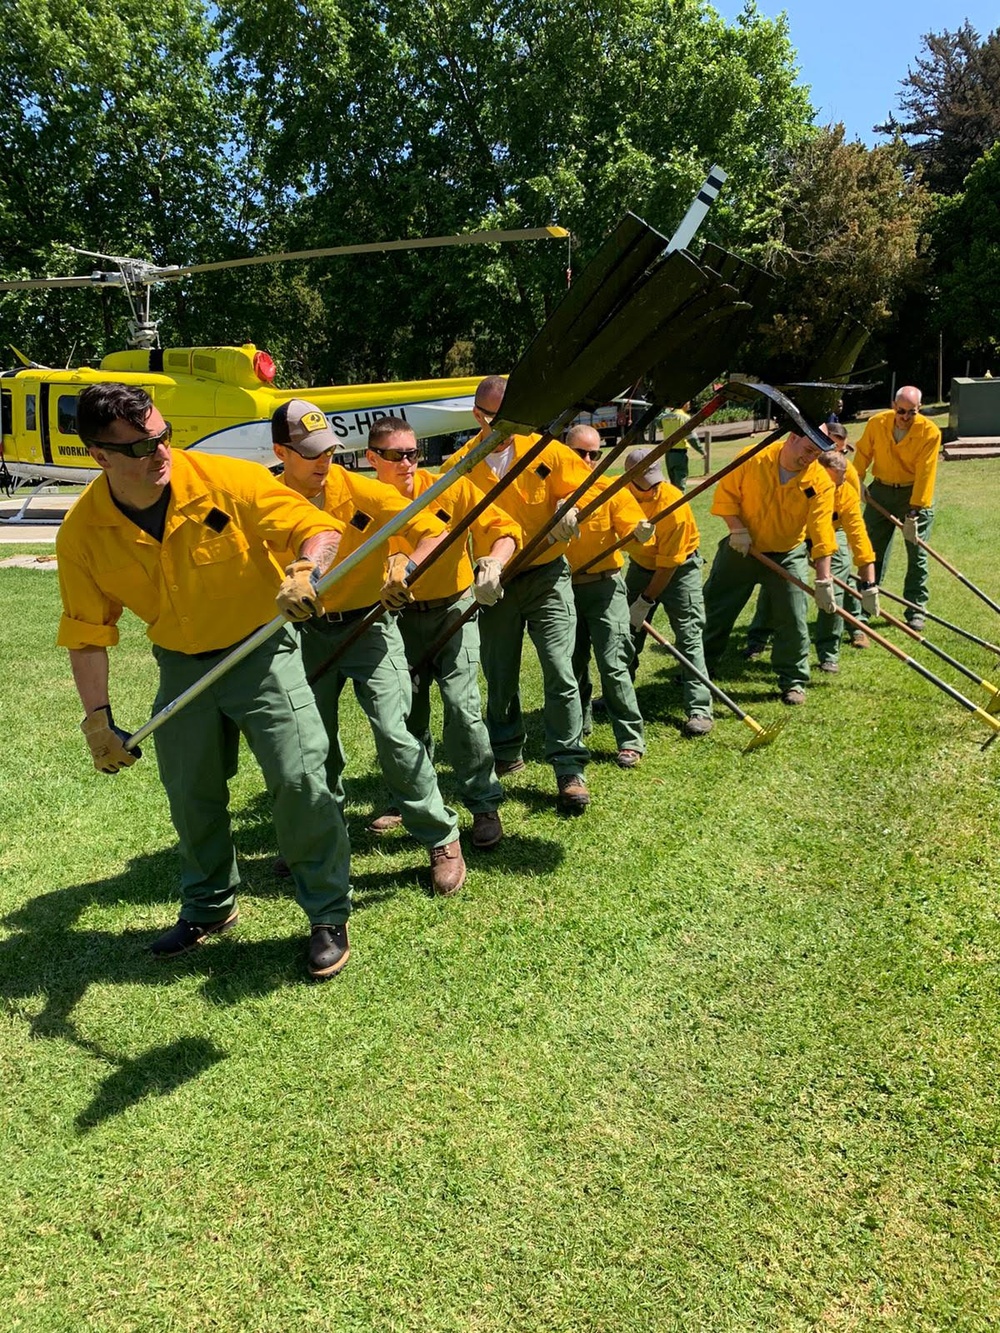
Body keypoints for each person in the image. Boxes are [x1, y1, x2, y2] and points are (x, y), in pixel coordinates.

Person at [57, 384, 354, 980]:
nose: (160, 452)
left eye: (163, 436)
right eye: (139, 447)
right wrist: (97, 720)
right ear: (100, 456)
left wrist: (306, 569)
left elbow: (316, 529)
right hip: (181, 664)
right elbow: (88, 633)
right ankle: (209, 906)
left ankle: (326, 913)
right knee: (191, 793)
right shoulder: (83, 532)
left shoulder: (228, 481)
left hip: (262, 651)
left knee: (299, 778)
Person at [269, 399, 466, 896]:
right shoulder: (265, 498)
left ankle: (441, 835)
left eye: (330, 452)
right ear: (280, 451)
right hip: (306, 634)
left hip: (370, 628)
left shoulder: (363, 490)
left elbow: (432, 529)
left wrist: (406, 567)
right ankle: (318, 837)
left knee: (396, 733)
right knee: (312, 745)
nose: (323, 463)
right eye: (310, 453)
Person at [364, 416, 520, 849]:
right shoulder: (366, 499)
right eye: (396, 456)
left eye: (413, 452)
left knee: (462, 707)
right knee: (405, 716)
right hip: (396, 618)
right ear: (372, 458)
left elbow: (505, 529)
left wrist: (493, 563)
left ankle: (484, 803)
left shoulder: (452, 485)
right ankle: (412, 798)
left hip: (454, 611)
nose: (408, 462)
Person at [444, 376, 594, 813]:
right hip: (494, 583)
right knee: (499, 671)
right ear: (478, 416)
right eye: (499, 419)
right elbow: (443, 521)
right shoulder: (461, 463)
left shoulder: (545, 449)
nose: (512, 428)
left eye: (518, 418)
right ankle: (507, 748)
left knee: (559, 667)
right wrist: (480, 567)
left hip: (547, 576)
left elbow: (586, 485)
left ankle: (568, 765)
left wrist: (572, 507)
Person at [702, 428, 838, 705]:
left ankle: (793, 681)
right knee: (717, 608)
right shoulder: (751, 458)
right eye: (808, 450)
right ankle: (699, 667)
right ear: (792, 438)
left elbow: (823, 532)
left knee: (793, 617)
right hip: (742, 548)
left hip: (787, 553)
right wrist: (736, 529)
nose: (811, 458)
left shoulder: (819, 481)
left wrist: (824, 580)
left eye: (817, 453)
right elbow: (726, 495)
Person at [743, 423, 879, 673]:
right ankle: (757, 639)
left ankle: (829, 652)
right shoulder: (805, 475)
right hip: (797, 529)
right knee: (779, 580)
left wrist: (869, 584)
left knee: (833, 587)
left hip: (831, 530)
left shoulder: (846, 482)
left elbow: (858, 534)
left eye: (835, 485)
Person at [563, 424, 652, 767]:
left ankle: (630, 738)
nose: (587, 460)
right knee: (571, 664)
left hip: (605, 586)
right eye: (579, 452)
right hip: (563, 588)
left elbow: (631, 528)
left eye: (594, 454)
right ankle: (578, 723)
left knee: (614, 662)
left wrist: (639, 533)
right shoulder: (551, 489)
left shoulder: (610, 489)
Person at [622, 447, 714, 736]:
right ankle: (619, 696)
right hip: (640, 565)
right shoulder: (620, 495)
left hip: (679, 568)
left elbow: (668, 566)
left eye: (655, 478)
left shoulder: (673, 502)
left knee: (689, 635)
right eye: (645, 481)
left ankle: (699, 708)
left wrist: (645, 601)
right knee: (625, 633)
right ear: (630, 478)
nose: (654, 486)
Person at [854, 386, 940, 631]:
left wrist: (915, 510)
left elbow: (926, 473)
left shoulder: (929, 432)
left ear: (918, 409)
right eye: (901, 411)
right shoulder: (876, 423)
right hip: (880, 491)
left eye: (911, 412)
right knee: (870, 550)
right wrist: (857, 481)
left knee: (917, 554)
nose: (905, 417)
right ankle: (865, 605)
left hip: (912, 495)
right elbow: (862, 454)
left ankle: (916, 609)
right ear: (893, 406)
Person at [658, 402, 706, 492]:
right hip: (680, 454)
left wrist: (666, 410)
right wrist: (702, 451)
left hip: (668, 454)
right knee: (680, 482)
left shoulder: (665, 417)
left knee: (673, 483)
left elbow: (658, 423)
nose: (689, 405)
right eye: (688, 403)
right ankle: (680, 504)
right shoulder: (685, 418)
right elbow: (692, 438)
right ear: (683, 404)